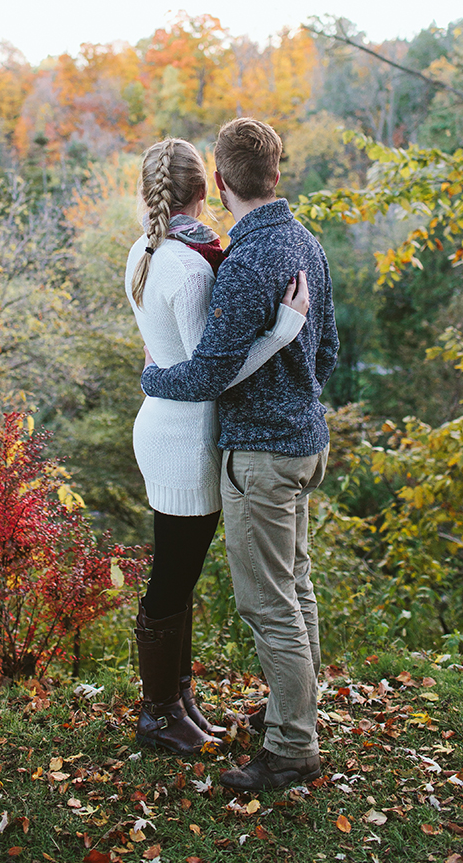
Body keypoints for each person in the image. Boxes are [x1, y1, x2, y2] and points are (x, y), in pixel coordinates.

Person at [141, 117, 339, 792]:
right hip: (306, 442)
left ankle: (290, 748)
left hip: (260, 454)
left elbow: (203, 374)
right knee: (299, 585)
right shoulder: (306, 243)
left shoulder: (247, 262)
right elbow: (331, 351)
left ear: (222, 181)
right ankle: (295, 712)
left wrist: (151, 378)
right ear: (275, 174)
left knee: (269, 604)